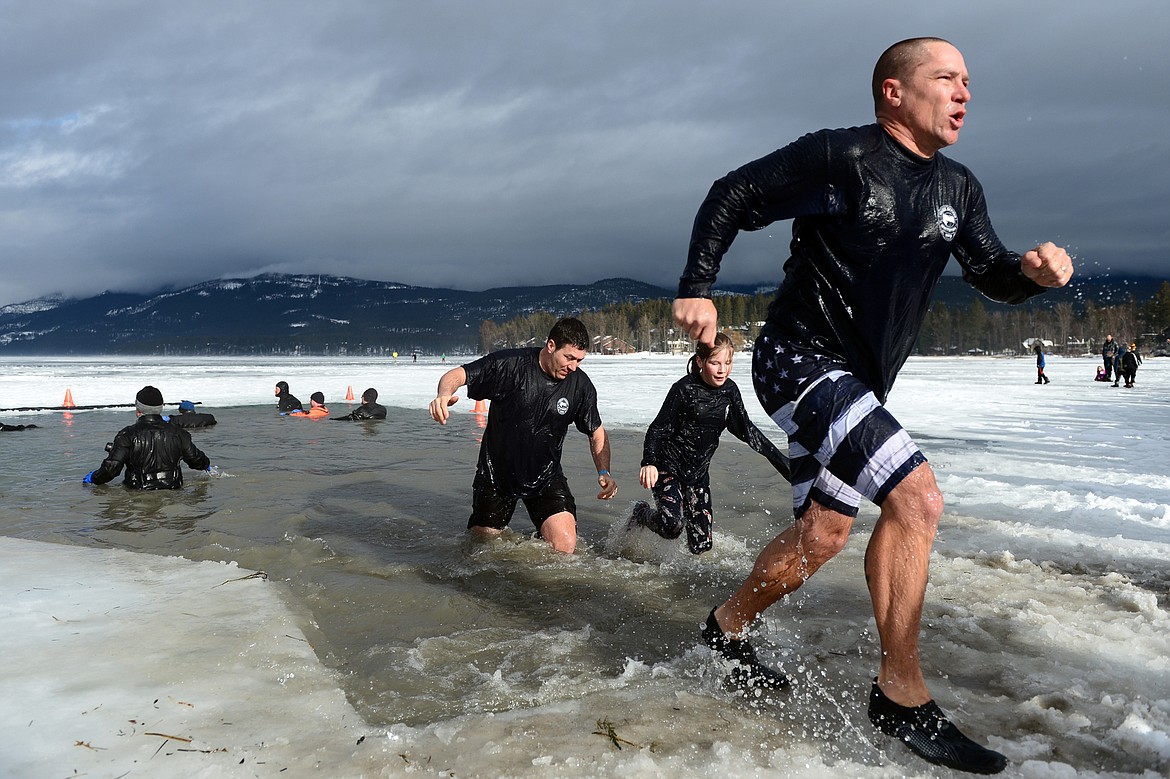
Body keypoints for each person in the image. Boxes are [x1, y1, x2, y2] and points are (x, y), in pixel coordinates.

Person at [671, 37, 1072, 774]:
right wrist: (698, 283)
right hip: (797, 360)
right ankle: (902, 694)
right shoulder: (843, 158)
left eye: (968, 82)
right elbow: (733, 192)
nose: (964, 93)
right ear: (894, 92)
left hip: (857, 383)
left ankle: (725, 628)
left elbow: (987, 270)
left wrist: (1028, 273)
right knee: (918, 499)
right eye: (947, 79)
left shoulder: (959, 187)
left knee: (823, 534)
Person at [429, 317, 618, 554]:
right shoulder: (510, 365)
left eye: (579, 360)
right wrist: (443, 395)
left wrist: (604, 472)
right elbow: (458, 374)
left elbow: (596, 432)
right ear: (551, 346)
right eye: (568, 358)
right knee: (482, 549)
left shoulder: (580, 385)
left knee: (565, 546)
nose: (573, 367)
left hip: (545, 477)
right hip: (496, 476)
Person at [630, 333, 790, 554]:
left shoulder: (729, 391)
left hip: (697, 474)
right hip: (668, 467)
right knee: (672, 526)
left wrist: (786, 465)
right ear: (700, 361)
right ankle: (642, 513)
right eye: (715, 363)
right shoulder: (684, 389)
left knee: (701, 546)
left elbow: (749, 432)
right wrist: (648, 462)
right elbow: (657, 429)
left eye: (727, 363)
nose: (722, 369)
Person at [83, 386, 210, 489]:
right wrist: (206, 464)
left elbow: (112, 468)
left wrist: (93, 478)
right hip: (173, 489)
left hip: (137, 493)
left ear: (138, 411)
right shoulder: (179, 434)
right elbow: (196, 460)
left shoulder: (127, 435)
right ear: (160, 409)